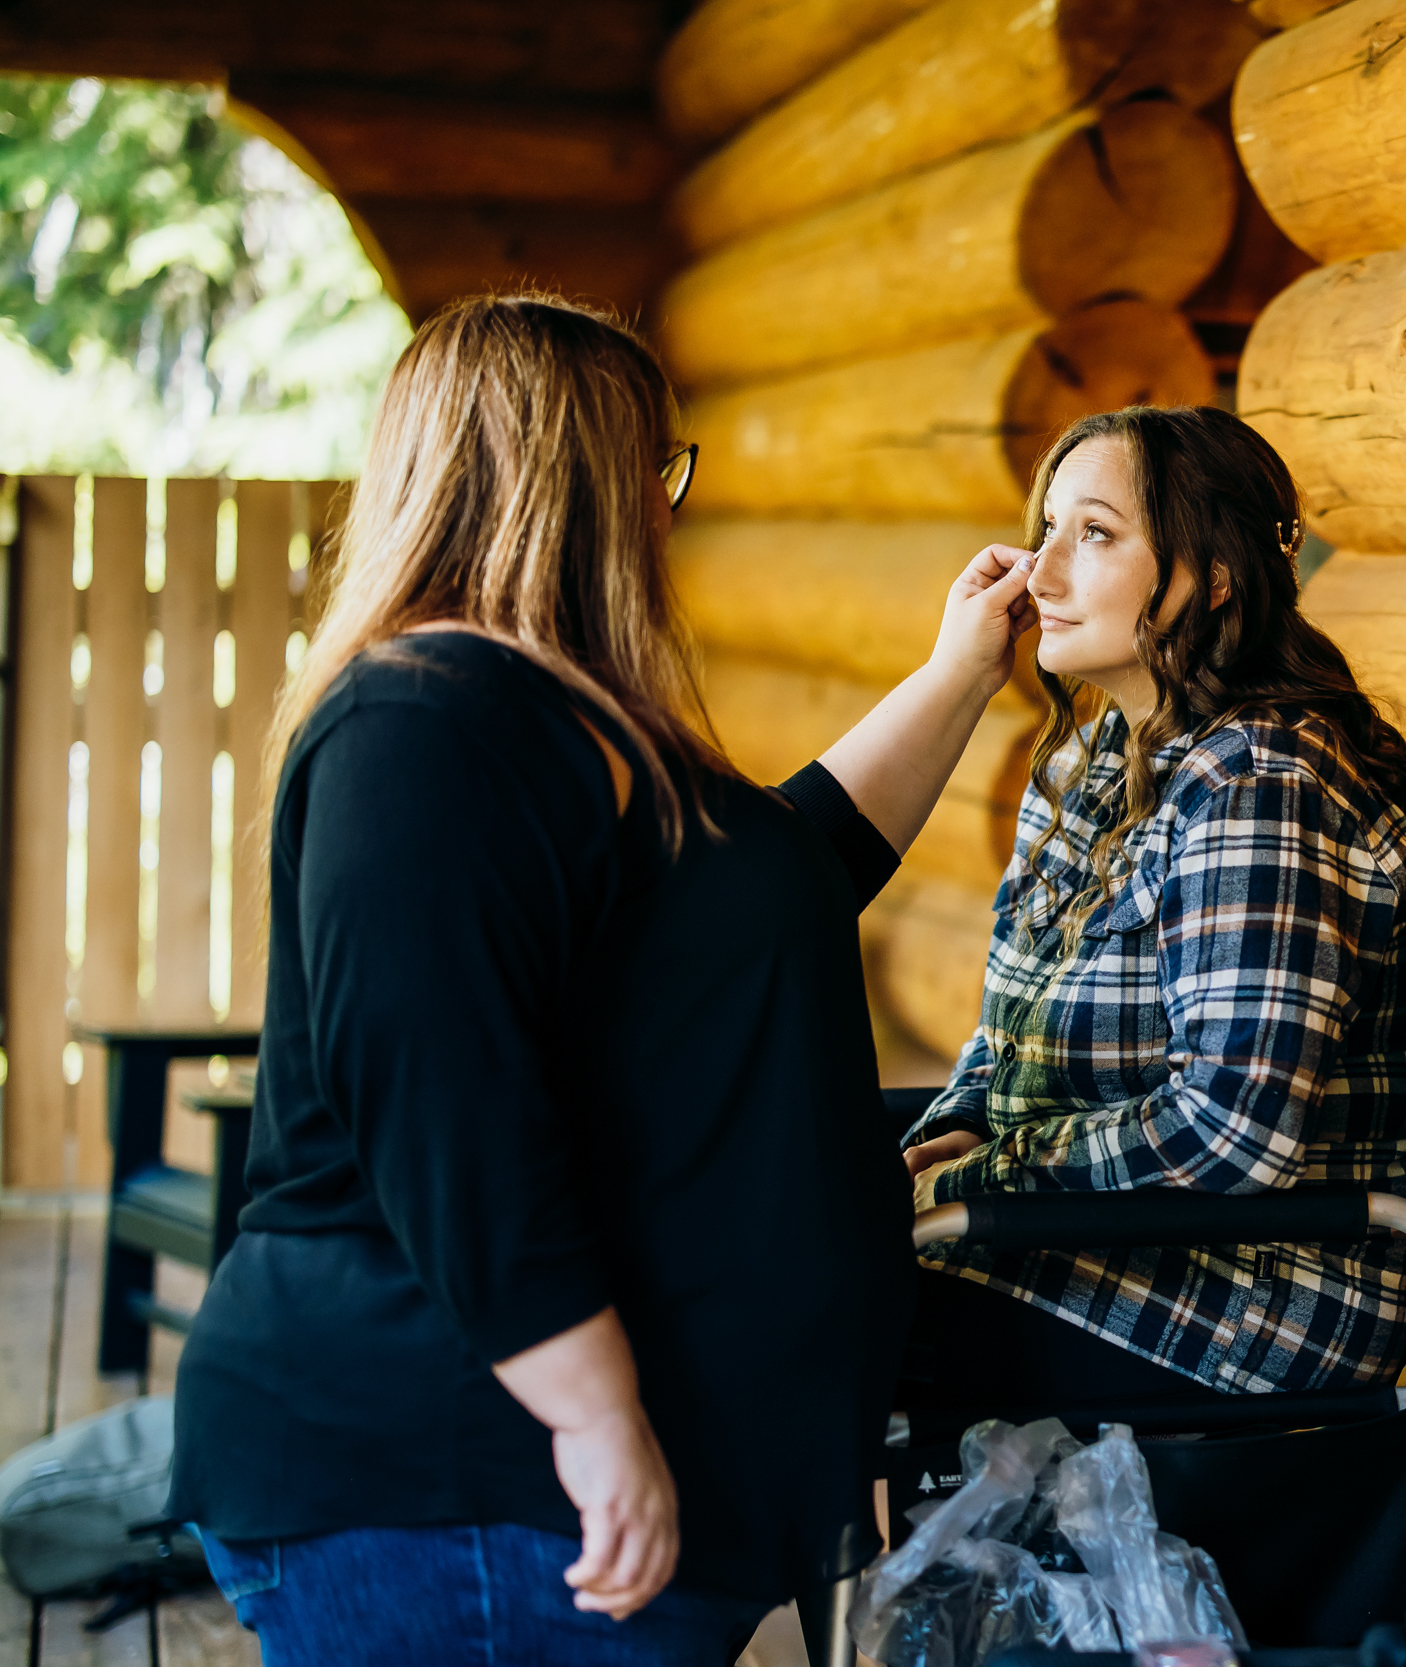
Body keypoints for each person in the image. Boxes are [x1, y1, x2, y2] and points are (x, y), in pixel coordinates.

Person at [168, 295, 1037, 1665]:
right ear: (570, 475)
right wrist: (593, 1414)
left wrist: (959, 674)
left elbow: (778, 878)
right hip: (459, 1479)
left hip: (556, 1490)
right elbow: (440, 1100)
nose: (666, 508)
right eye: (656, 464)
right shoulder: (420, 723)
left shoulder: (573, 717)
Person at [894, 405, 1406, 1410]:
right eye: (1047, 533)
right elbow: (1002, 1037)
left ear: (1214, 573)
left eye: (1097, 535)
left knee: (780, 1309)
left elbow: (1231, 1130)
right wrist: (948, 1135)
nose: (1043, 574)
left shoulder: (1256, 786)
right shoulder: (1096, 763)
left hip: (1234, 1313)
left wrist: (987, 1173)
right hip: (1084, 1253)